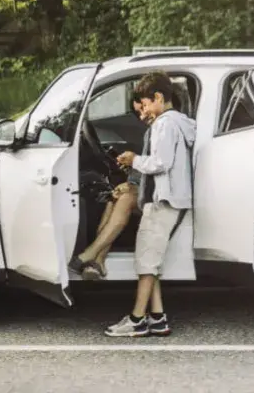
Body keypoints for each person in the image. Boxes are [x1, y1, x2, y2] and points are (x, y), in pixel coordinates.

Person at [104, 71, 197, 338]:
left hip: (162, 200)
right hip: (175, 199)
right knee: (151, 260)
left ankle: (136, 320)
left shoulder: (164, 125)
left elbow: (160, 163)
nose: (143, 111)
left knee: (145, 263)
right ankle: (157, 318)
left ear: (157, 97)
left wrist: (134, 160)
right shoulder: (181, 122)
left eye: (144, 105)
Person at [68, 101, 154, 281]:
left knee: (125, 198)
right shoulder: (157, 129)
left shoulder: (167, 130)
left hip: (160, 194)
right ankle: (97, 261)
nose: (141, 116)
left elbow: (161, 168)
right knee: (113, 197)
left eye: (142, 109)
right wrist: (131, 180)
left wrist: (134, 179)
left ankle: (89, 254)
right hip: (148, 186)